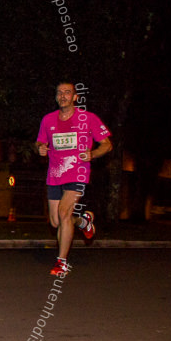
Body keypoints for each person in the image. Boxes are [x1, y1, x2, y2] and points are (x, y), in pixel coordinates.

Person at [35, 81, 112, 276]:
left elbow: (107, 145)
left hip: (77, 172)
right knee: (55, 221)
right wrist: (39, 148)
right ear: (56, 96)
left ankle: (61, 263)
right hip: (54, 174)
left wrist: (93, 154)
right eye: (59, 92)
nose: (63, 96)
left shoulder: (88, 118)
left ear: (75, 97)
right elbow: (39, 142)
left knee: (63, 212)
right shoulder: (48, 120)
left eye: (67, 92)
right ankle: (83, 222)